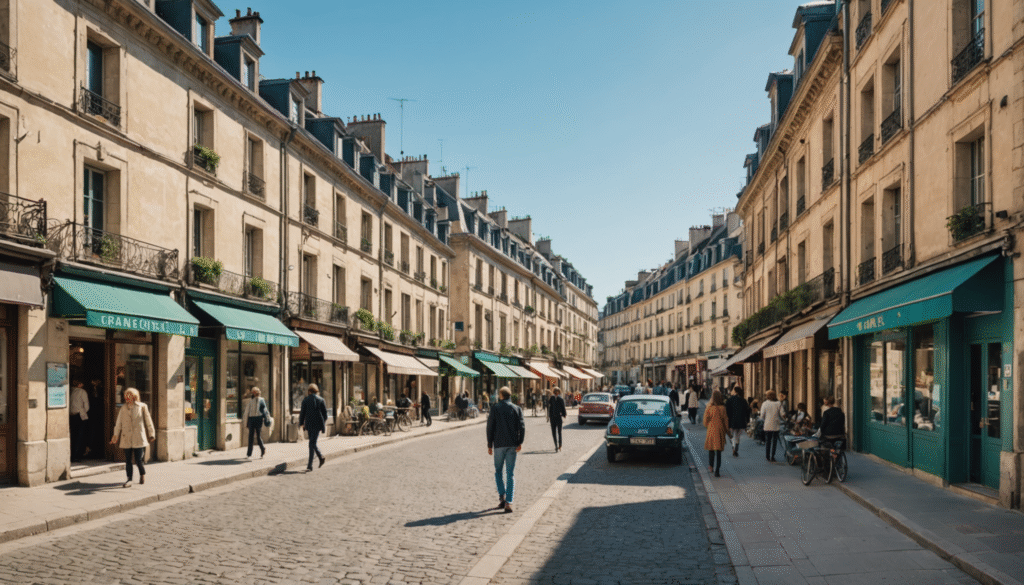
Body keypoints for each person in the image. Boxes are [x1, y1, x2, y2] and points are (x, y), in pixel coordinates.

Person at [487, 386, 525, 513]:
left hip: (498, 445)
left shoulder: (495, 408)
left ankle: (502, 496)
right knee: (510, 473)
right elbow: (522, 426)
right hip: (512, 444)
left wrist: (489, 444)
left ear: (501, 396)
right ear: (510, 396)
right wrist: (520, 442)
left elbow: (490, 427)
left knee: (498, 471)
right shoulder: (517, 408)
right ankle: (509, 502)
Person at [109, 387, 155, 488]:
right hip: (126, 437)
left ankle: (142, 474)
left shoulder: (142, 406)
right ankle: (129, 479)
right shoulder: (123, 408)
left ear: (134, 397)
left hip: (138, 436)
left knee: (138, 460)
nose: (126, 398)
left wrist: (151, 434)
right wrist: (115, 436)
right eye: (125, 396)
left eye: (129, 396)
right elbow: (118, 423)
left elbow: (148, 421)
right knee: (128, 460)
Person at [299, 383, 328, 471]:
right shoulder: (321, 400)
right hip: (317, 425)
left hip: (309, 424)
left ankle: (319, 458)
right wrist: (322, 423)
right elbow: (325, 415)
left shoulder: (306, 400)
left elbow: (302, 413)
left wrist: (301, 423)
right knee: (312, 443)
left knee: (312, 443)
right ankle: (311, 464)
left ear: (309, 391)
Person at [703, 390, 728, 477]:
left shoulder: (709, 407)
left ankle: (711, 466)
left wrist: (708, 426)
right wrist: (728, 432)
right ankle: (717, 470)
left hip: (711, 430)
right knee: (719, 451)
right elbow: (726, 422)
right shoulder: (723, 408)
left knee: (711, 449)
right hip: (720, 430)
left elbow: (705, 421)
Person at [725, 385, 751, 457]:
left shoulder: (730, 400)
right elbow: (747, 411)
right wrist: (747, 421)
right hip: (741, 421)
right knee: (737, 436)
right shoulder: (743, 400)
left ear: (735, 391)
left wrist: (726, 420)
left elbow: (726, 410)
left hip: (732, 421)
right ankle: (736, 447)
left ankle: (733, 447)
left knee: (732, 435)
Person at [242, 387, 269, 459]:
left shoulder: (261, 400)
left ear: (257, 392)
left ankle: (262, 449)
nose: (253, 393)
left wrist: (266, 418)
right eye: (252, 392)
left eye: (254, 392)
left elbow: (265, 410)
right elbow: (247, 411)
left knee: (258, 436)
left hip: (258, 419)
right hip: (251, 419)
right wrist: (246, 421)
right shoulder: (251, 400)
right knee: (250, 436)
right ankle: (249, 454)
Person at [759, 390, 785, 462]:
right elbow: (783, 414)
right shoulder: (778, 403)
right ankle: (772, 456)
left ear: (767, 396)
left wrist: (764, 419)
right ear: (774, 396)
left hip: (767, 425)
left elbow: (762, 415)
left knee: (768, 441)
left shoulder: (764, 404)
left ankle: (767, 456)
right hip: (776, 425)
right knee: (774, 442)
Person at [69, 380, 90, 462]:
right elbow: (86, 405)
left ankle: (72, 455)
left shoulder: (70, 390)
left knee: (73, 435)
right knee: (79, 436)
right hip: (80, 415)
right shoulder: (82, 391)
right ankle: (77, 455)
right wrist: (83, 411)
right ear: (80, 384)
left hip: (71, 415)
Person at [548, 387, 567, 452]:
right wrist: (564, 415)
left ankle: (558, 445)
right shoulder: (555, 398)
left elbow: (550, 407)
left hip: (554, 417)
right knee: (557, 432)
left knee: (556, 432)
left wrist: (549, 416)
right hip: (556, 417)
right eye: (555, 392)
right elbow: (563, 408)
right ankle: (558, 445)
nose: (556, 393)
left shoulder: (555, 399)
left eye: (556, 392)